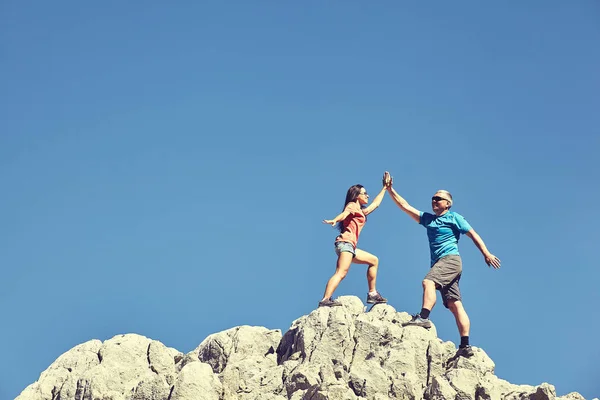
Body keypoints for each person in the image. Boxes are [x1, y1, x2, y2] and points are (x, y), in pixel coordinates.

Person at [384, 173, 501, 357]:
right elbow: (405, 206)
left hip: (450, 260)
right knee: (455, 304)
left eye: (438, 198)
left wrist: (486, 253)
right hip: (445, 264)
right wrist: (390, 190)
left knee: (428, 282)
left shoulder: (454, 217)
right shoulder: (428, 219)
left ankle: (423, 318)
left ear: (448, 203)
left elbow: (473, 234)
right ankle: (465, 346)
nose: (434, 201)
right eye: (433, 198)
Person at [319, 174, 391, 307]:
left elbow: (375, 204)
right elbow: (345, 213)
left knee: (374, 261)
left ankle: (372, 294)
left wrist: (385, 188)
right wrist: (335, 219)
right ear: (357, 195)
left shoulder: (361, 211)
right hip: (345, 243)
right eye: (364, 193)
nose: (367, 196)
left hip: (350, 246)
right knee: (341, 272)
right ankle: (325, 300)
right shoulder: (352, 205)